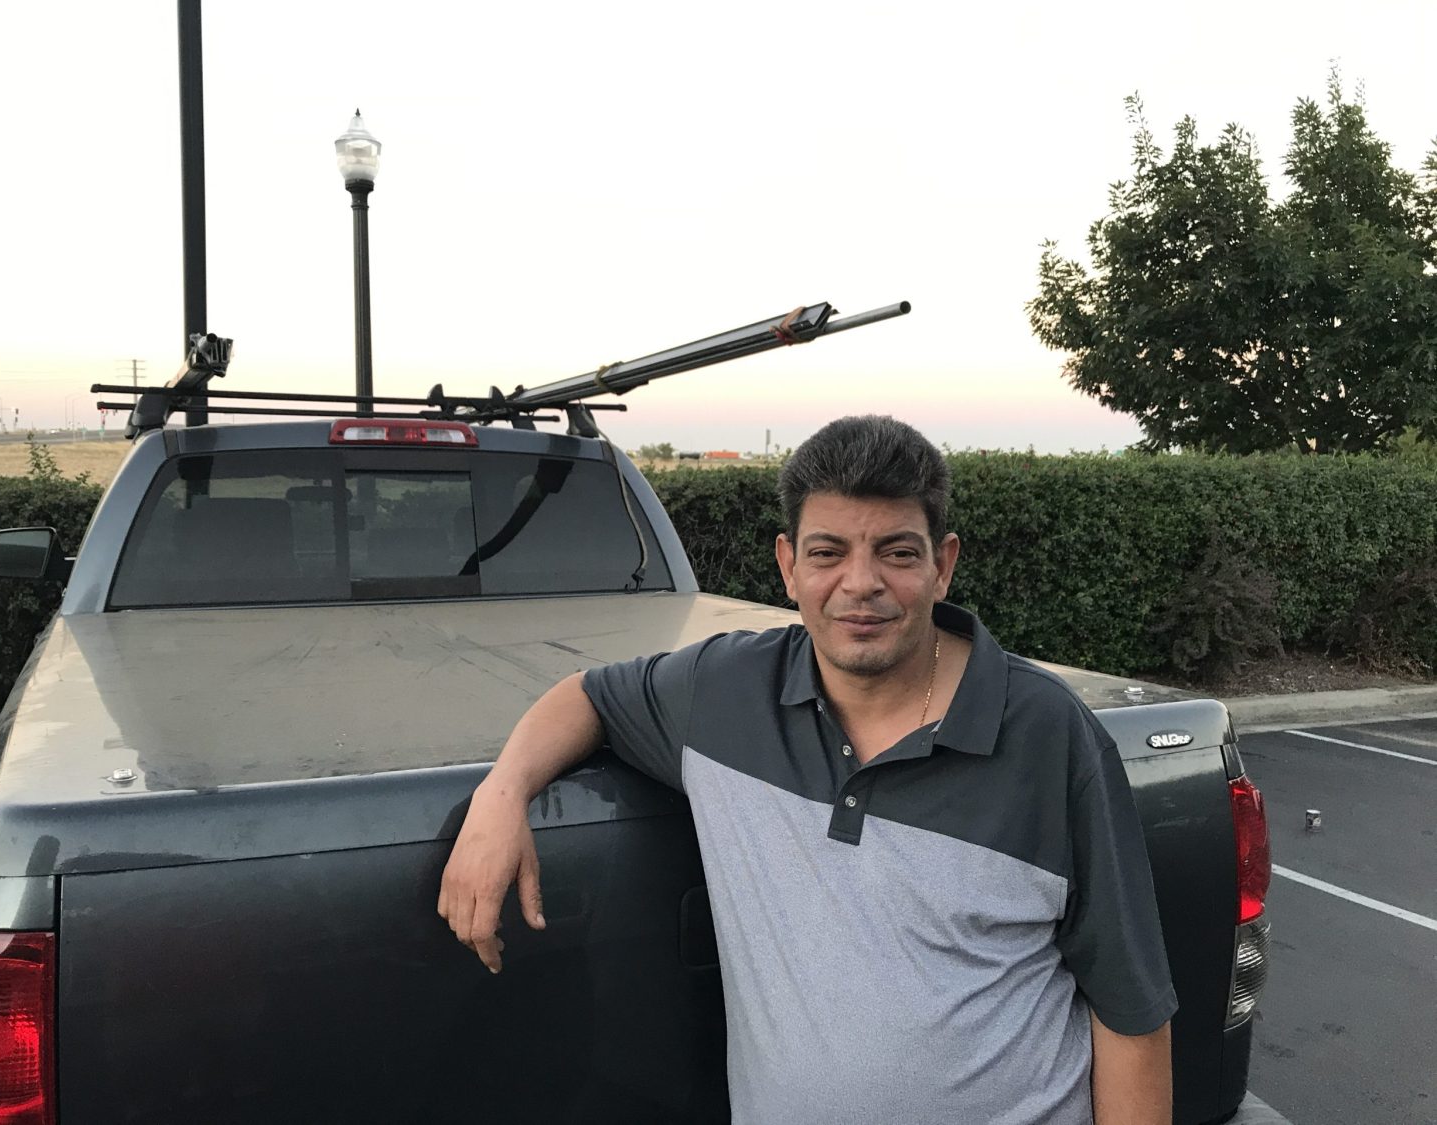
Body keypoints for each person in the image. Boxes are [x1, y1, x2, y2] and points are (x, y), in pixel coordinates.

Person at [438, 414, 1176, 1124]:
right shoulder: (724, 692)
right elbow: (588, 696)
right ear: (788, 565)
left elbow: (1131, 1011)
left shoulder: (1049, 734)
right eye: (828, 553)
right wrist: (501, 795)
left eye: (897, 552)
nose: (861, 582)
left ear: (943, 565)